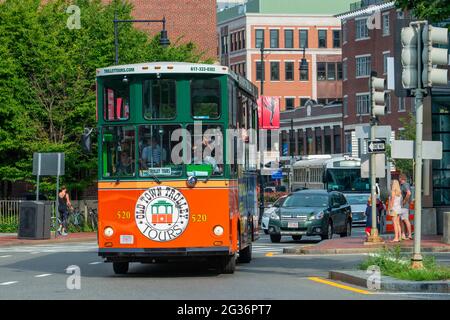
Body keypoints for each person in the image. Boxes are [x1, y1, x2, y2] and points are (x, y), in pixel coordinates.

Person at [399, 174, 413, 240]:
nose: (399, 180)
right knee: (402, 220)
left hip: (404, 206)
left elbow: (409, 193)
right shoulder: (404, 185)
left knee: (405, 220)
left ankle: (409, 234)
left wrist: (404, 201)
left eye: (399, 178)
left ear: (401, 178)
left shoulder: (405, 185)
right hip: (403, 206)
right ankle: (403, 234)